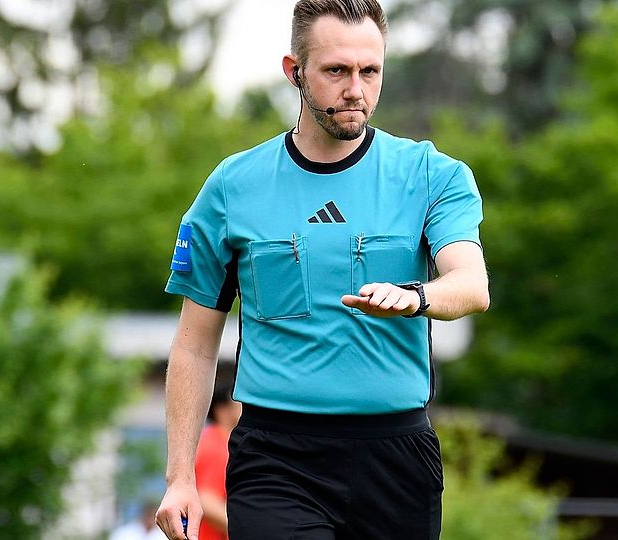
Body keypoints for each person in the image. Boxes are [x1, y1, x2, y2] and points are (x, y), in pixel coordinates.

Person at [155, 1, 489, 539]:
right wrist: (180, 477)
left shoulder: (432, 175)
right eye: (337, 70)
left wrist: (416, 297)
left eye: (370, 71)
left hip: (397, 460)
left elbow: (471, 285)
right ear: (295, 72)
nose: (356, 89)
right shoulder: (232, 187)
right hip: (275, 458)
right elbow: (194, 345)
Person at [193, 382, 241, 540]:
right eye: (239, 402)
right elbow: (207, 501)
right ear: (222, 410)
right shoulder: (217, 445)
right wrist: (248, 529)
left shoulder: (212, 440)